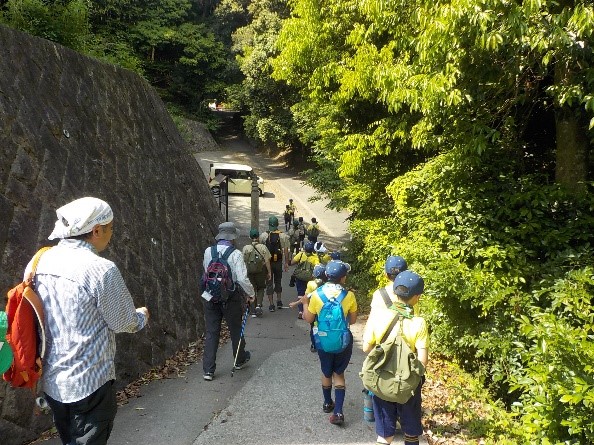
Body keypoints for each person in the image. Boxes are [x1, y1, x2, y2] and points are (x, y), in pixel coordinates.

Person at [29, 197, 149, 445]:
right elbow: (123, 322)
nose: (111, 233)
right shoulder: (100, 269)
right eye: (111, 228)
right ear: (96, 230)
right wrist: (141, 316)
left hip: (53, 382)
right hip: (90, 384)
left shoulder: (39, 260)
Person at [362, 271, 428, 445]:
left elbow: (366, 347)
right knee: (411, 433)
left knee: (384, 435)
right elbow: (422, 361)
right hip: (408, 386)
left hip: (382, 382)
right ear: (417, 297)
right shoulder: (419, 322)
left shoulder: (377, 316)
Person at [299, 260, 357, 426]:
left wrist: (304, 303)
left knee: (326, 372)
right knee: (339, 374)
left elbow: (309, 319)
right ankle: (338, 411)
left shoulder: (317, 294)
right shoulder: (349, 295)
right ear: (342, 278)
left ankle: (327, 403)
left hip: (322, 341)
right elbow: (352, 321)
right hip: (342, 341)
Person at [202, 222, 255, 381]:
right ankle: (239, 359)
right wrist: (251, 294)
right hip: (229, 297)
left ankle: (208, 370)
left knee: (212, 332)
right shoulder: (236, 254)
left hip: (210, 296)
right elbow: (242, 278)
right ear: (232, 237)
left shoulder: (208, 251)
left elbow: (206, 272)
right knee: (235, 329)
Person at [259, 216, 290, 310]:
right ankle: (279, 301)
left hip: (267, 262)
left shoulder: (263, 236)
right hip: (278, 262)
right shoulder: (283, 236)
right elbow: (285, 251)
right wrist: (286, 263)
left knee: (269, 283)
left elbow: (261, 250)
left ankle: (271, 304)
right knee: (278, 281)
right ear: (277, 224)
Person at [242, 229, 272, 317]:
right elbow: (267, 260)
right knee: (261, 287)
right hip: (260, 271)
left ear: (250, 237)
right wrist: (269, 272)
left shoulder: (246, 248)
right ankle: (258, 306)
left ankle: (252, 309)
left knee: (252, 288)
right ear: (258, 237)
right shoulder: (263, 247)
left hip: (249, 271)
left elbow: (243, 261)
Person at [290, 240, 320, 319]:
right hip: (310, 278)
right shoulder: (315, 257)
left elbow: (292, 262)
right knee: (308, 293)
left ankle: (300, 310)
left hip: (299, 277)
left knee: (300, 292)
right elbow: (317, 268)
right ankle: (308, 309)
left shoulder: (301, 254)